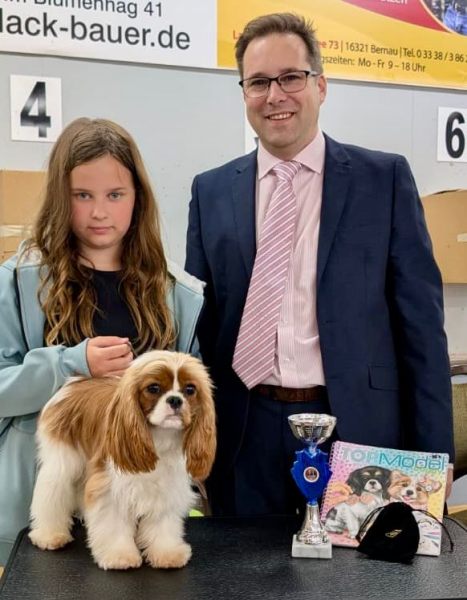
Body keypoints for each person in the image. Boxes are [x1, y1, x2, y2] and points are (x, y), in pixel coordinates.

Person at [185, 13, 454, 517]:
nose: (274, 95)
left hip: (358, 429)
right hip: (243, 432)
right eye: (258, 82)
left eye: (291, 77)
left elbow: (421, 329)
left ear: (321, 85)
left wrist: (435, 457)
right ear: (244, 93)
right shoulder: (211, 191)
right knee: (243, 568)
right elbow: (201, 326)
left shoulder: (383, 180)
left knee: (360, 567)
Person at [0, 117, 204, 563]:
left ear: (138, 198)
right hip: (32, 523)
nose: (99, 212)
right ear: (60, 197)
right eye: (82, 195)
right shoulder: (17, 281)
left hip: (138, 522)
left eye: (115, 195)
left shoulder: (177, 294)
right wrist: (69, 364)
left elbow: (189, 404)